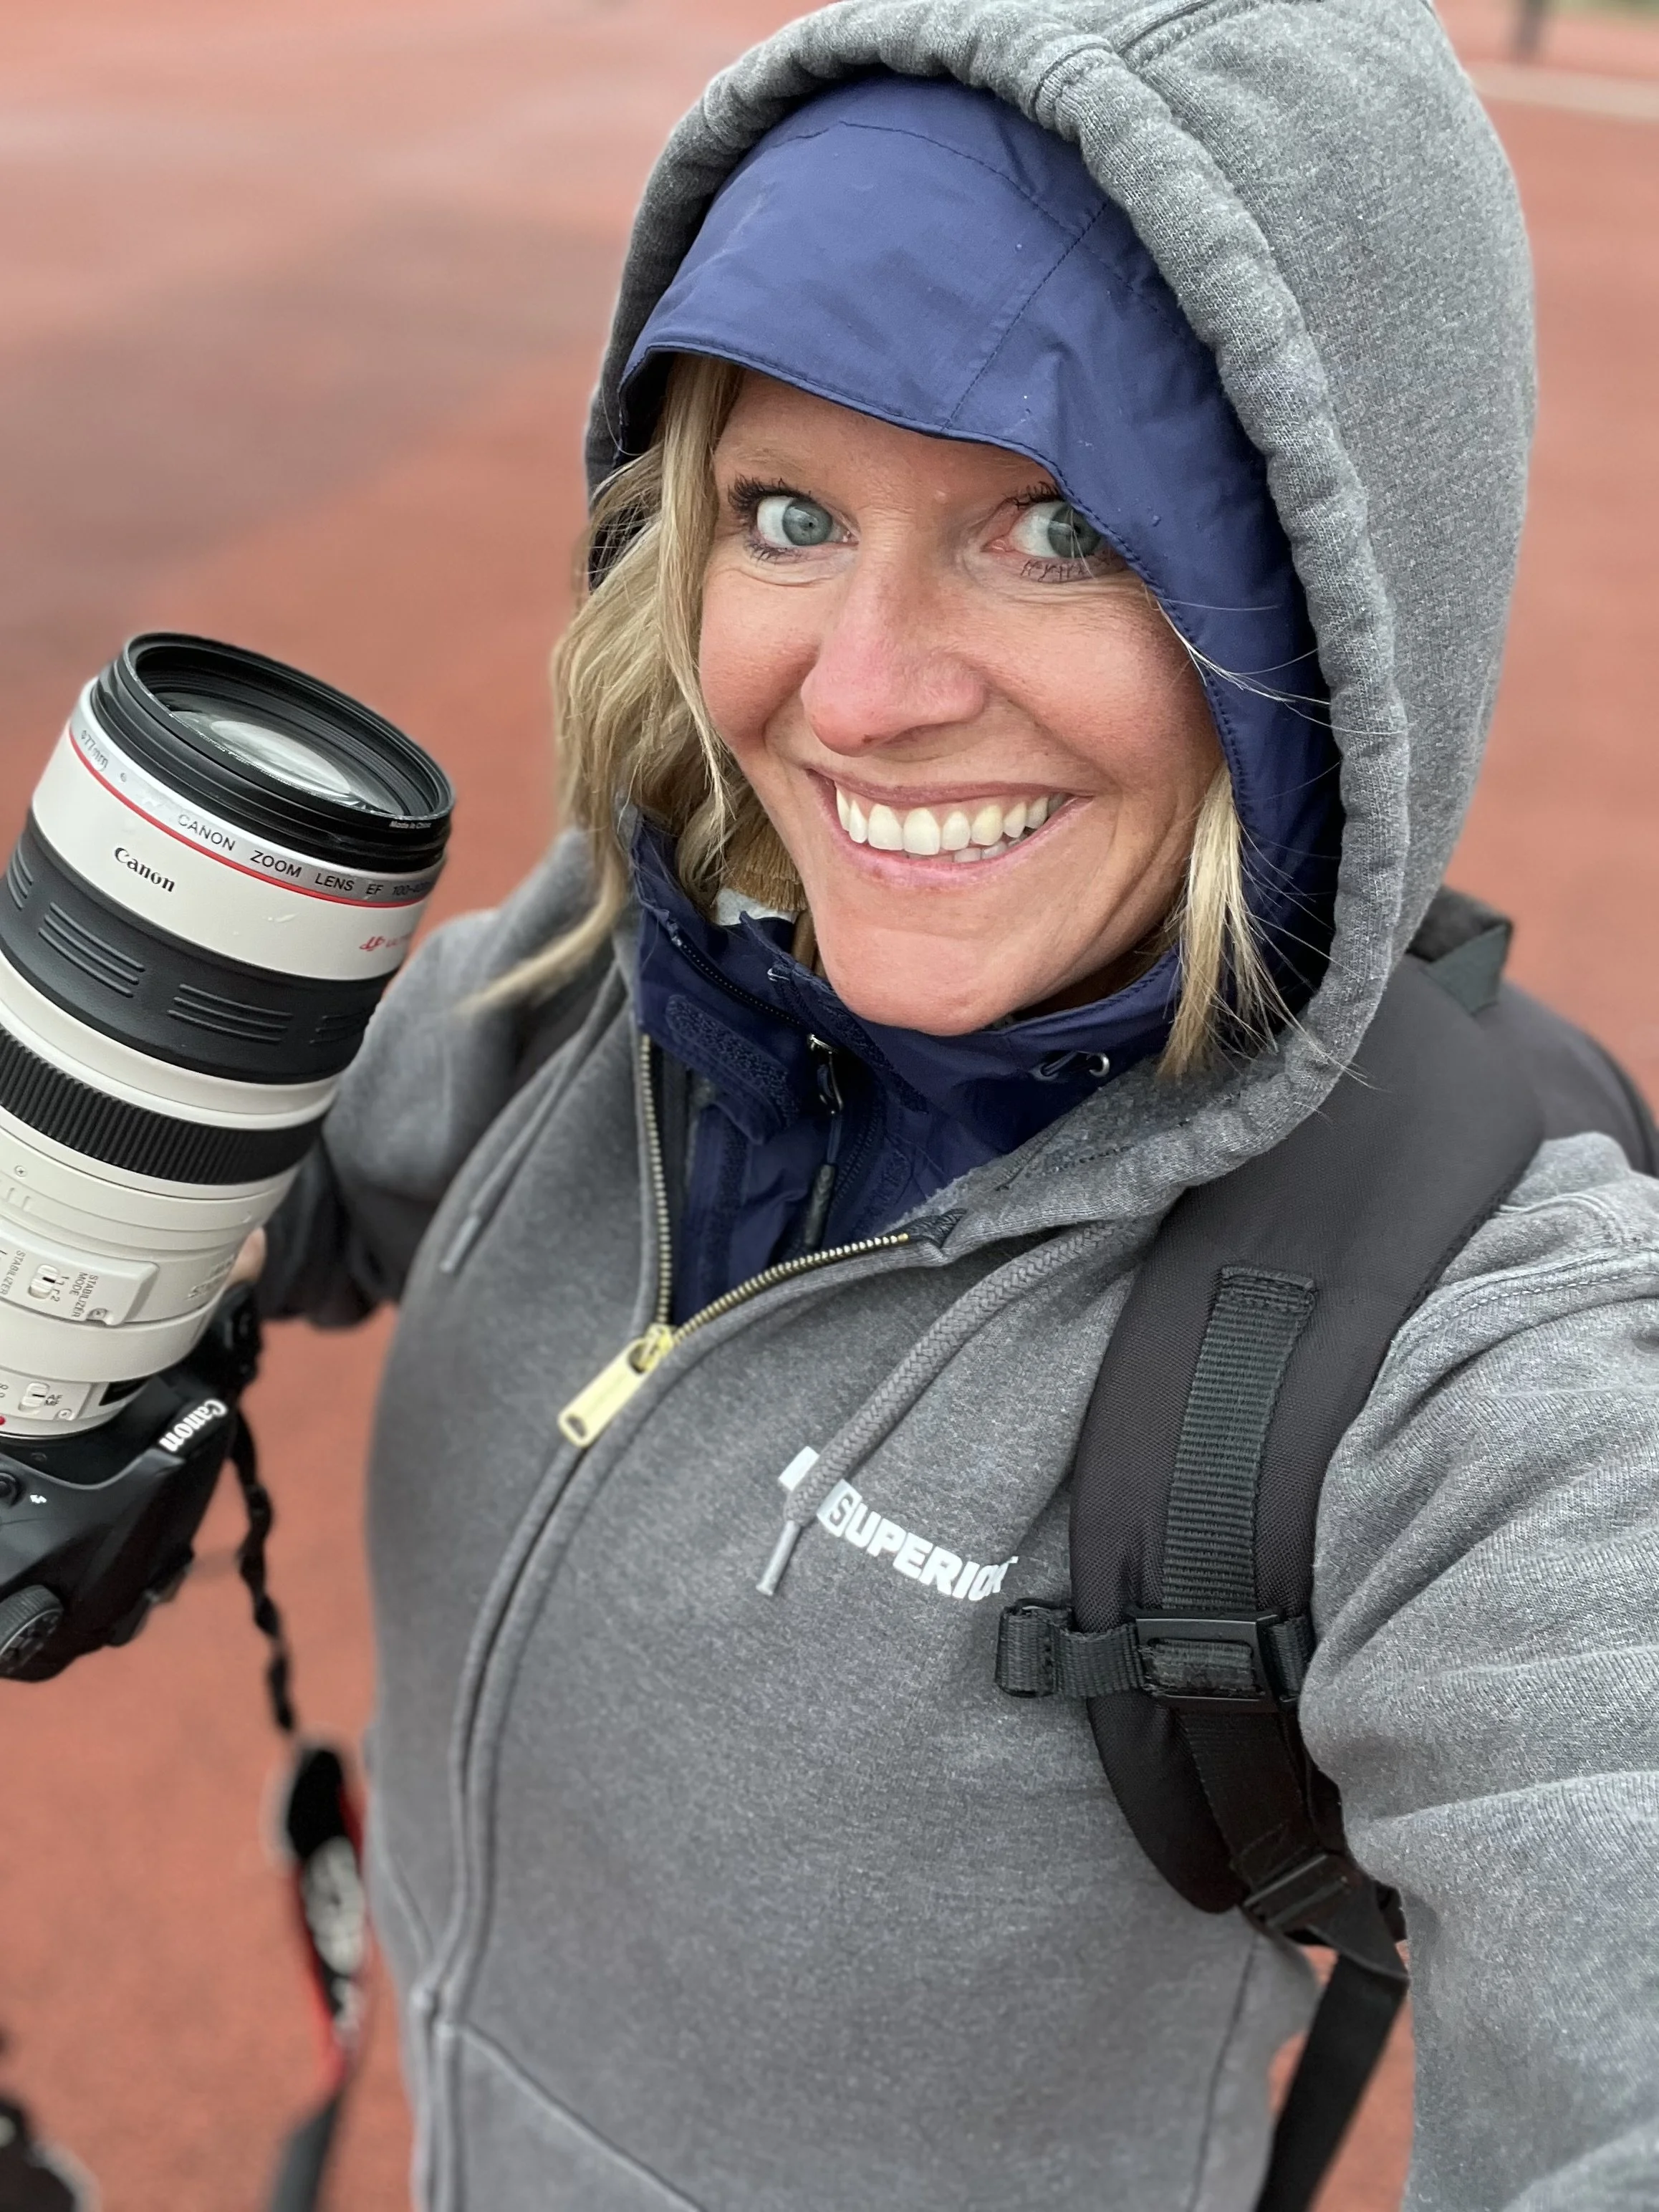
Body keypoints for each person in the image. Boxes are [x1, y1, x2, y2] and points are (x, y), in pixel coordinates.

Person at [255, 6, 1659, 2208]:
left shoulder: (1476, 1362)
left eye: (1059, 529)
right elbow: (288, 1188)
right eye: (785, 514)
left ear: (1329, 605)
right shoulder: (604, 977)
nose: (862, 693)